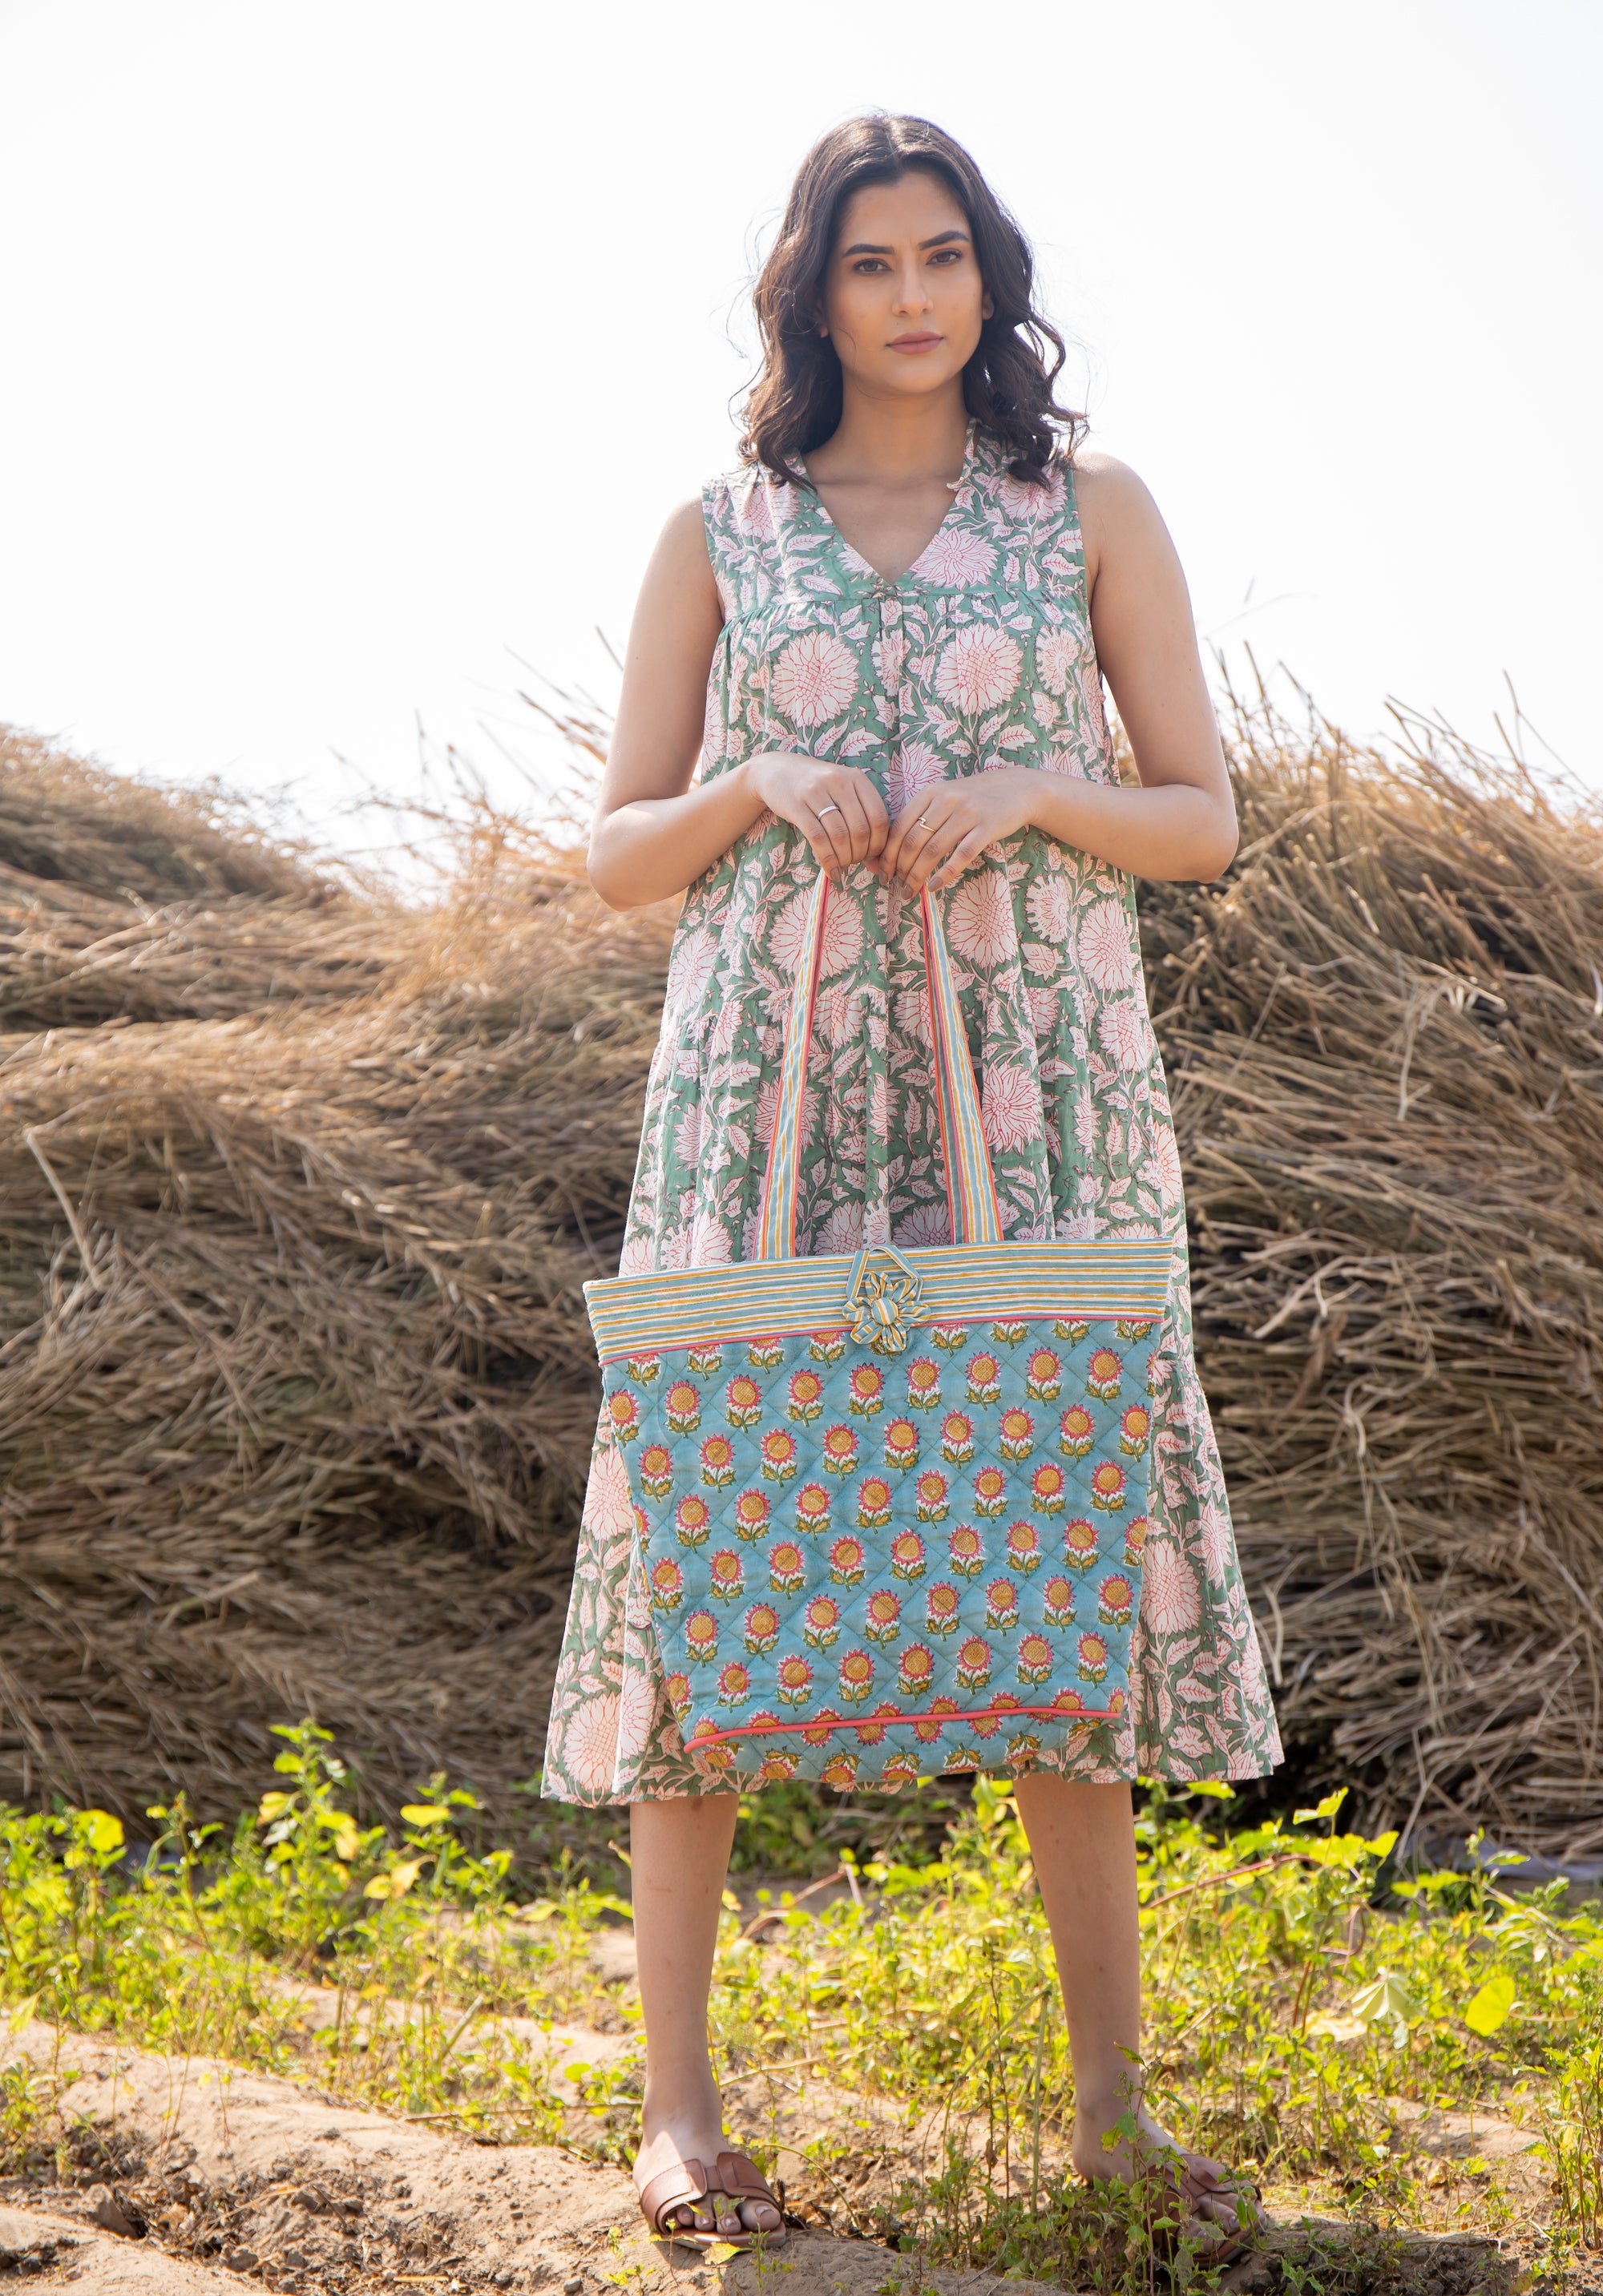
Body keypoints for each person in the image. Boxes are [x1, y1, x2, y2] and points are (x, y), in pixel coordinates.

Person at [541, 112, 1282, 2256]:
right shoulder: (719, 526)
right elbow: (610, 848)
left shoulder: (1088, 510)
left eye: (944, 251)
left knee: (1054, 1524)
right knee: (715, 1518)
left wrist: (1039, 786)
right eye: (870, 262)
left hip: (1035, 1072)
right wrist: (749, 783)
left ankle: (1111, 2106)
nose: (914, 294)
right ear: (814, 292)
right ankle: (677, 2109)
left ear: (991, 269)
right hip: (753, 1073)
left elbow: (1202, 815)